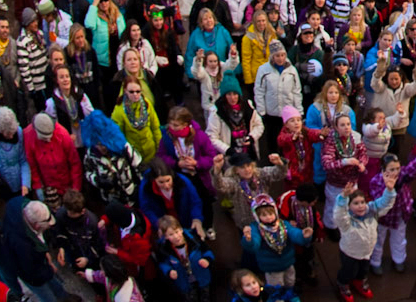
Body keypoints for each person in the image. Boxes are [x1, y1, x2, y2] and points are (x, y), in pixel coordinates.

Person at [331, 174, 397, 301]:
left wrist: (389, 190)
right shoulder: (347, 221)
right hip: (350, 252)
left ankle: (359, 281)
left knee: (363, 269)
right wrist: (343, 198)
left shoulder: (372, 212)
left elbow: (384, 204)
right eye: (355, 203)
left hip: (367, 252)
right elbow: (339, 215)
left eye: (362, 202)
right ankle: (343, 284)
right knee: (348, 271)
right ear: (348, 206)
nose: (360, 206)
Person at [157, 107, 218, 240]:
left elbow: (211, 156)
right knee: (185, 202)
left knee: (205, 201)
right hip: (179, 176)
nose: (172, 127)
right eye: (171, 124)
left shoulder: (199, 136)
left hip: (199, 176)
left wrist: (197, 163)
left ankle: (208, 225)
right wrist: (176, 164)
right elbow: (161, 156)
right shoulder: (167, 138)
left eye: (176, 125)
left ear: (185, 124)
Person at [240, 194, 311, 290]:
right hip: (271, 267)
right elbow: (254, 246)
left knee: (290, 281)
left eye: (271, 214)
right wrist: (249, 239)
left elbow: (294, 233)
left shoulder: (283, 224)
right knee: (276, 287)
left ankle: (290, 295)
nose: (269, 217)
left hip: (288, 262)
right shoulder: (256, 228)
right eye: (264, 215)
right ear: (257, 216)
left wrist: (303, 235)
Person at [1, 197, 64, 302]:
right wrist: (50, 269)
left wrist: (46, 252)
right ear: (36, 225)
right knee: (48, 296)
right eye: (47, 224)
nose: (49, 226)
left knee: (55, 283)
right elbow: (33, 273)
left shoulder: (20, 203)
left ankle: (63, 295)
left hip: (36, 260)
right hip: (32, 275)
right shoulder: (23, 246)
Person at [212, 152, 287, 231]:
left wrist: (279, 163)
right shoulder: (234, 182)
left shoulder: (260, 174)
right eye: (242, 167)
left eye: (248, 166)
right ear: (236, 170)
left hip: (267, 218)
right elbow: (221, 185)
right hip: (247, 224)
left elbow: (279, 173)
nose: (247, 170)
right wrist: (217, 171)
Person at [81, 110, 143, 205]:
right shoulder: (90, 156)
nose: (102, 148)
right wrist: (97, 181)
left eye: (104, 144)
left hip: (133, 194)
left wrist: (141, 189)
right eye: (98, 144)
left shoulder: (123, 147)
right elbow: (88, 172)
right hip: (112, 200)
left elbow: (139, 166)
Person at [254, 42, 302, 155]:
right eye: (277, 56)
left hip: (288, 114)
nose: (280, 58)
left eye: (282, 55)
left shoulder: (292, 70)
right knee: (273, 141)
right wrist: (261, 111)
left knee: (289, 142)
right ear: (272, 56)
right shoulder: (263, 70)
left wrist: (299, 110)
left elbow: (296, 91)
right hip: (272, 113)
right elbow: (259, 91)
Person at [155, 215, 213, 302]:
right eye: (171, 234)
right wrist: (169, 271)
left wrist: (207, 259)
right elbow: (163, 263)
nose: (176, 236)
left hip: (202, 276)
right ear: (166, 236)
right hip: (184, 281)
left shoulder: (194, 238)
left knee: (206, 297)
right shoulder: (164, 249)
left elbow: (207, 250)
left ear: (181, 229)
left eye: (177, 231)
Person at [206, 74, 264, 160]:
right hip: (230, 156)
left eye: (235, 94)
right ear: (224, 96)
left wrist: (252, 137)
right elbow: (212, 136)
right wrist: (227, 150)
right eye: (229, 94)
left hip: (249, 153)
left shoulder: (248, 107)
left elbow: (259, 125)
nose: (232, 98)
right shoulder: (216, 112)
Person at [112, 79, 161, 163]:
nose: (135, 94)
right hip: (134, 156)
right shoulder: (119, 111)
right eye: (131, 92)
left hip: (151, 151)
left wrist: (159, 148)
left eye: (138, 91)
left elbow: (155, 127)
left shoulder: (147, 104)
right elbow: (118, 135)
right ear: (125, 91)